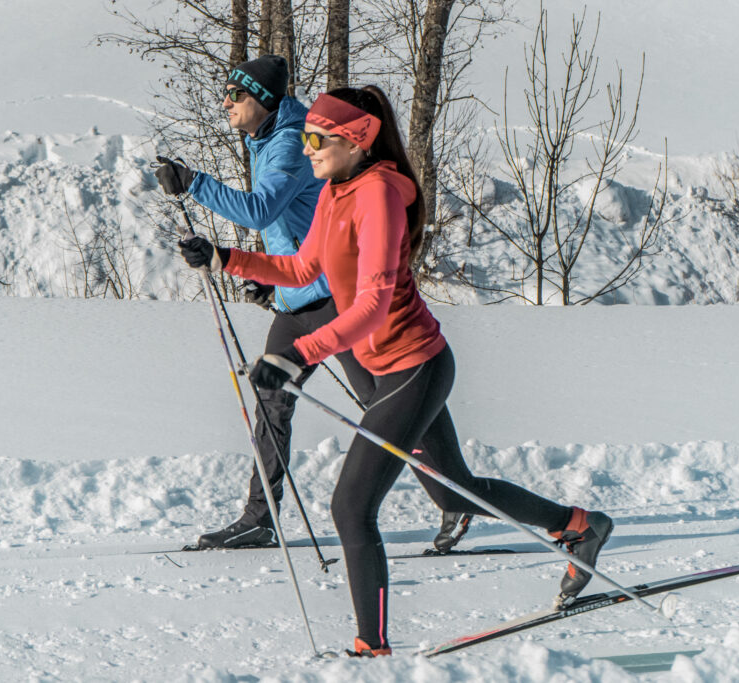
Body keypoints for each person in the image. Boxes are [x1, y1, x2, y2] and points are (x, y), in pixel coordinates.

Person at [178, 85, 613, 656]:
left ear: (356, 139)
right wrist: (227, 258)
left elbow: (372, 305)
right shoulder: (338, 188)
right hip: (389, 367)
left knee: (351, 506)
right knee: (454, 492)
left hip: (415, 368)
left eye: (317, 137)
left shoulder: (379, 193)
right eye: (306, 136)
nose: (306, 147)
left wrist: (298, 352)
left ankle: (371, 648)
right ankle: (578, 524)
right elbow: (303, 265)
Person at [156, 56, 464, 552]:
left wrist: (196, 183)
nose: (227, 102)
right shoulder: (273, 139)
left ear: (262, 98)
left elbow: (262, 211)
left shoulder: (295, 143)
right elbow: (292, 241)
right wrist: (248, 272)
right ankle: (260, 517)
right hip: (300, 296)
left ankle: (456, 498)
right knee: (272, 402)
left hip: (333, 300)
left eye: (236, 94)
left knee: (386, 406)